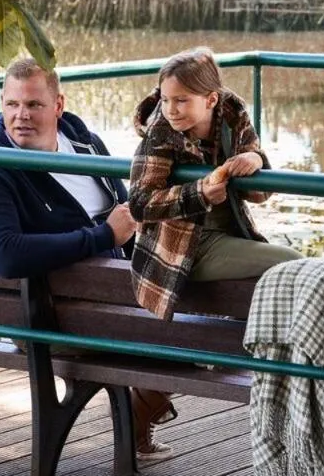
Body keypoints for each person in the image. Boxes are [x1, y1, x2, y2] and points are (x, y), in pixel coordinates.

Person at [0, 57, 176, 461]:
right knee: (209, 330)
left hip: (114, 300)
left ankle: (141, 409)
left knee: (205, 296)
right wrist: (102, 236)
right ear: (1, 103)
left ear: (58, 105)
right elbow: (6, 256)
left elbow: (126, 216)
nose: (21, 115)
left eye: (34, 105)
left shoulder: (86, 144)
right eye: (12, 105)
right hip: (51, 316)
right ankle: (141, 410)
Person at [128, 47, 302, 321]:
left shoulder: (233, 116)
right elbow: (139, 203)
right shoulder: (160, 133)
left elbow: (260, 195)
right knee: (291, 262)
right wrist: (200, 193)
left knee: (289, 268)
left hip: (231, 233)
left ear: (210, 100)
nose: (171, 110)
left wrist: (254, 159)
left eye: (181, 101)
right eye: (165, 100)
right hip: (182, 249)